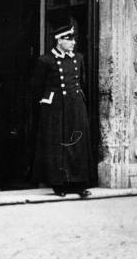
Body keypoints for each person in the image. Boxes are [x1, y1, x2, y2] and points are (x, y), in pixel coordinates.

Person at [31, 21, 94, 198]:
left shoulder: (78, 58)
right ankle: (59, 184)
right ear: (60, 41)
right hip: (55, 109)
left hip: (75, 106)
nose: (73, 42)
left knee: (77, 144)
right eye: (70, 39)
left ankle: (79, 184)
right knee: (57, 146)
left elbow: (82, 81)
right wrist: (46, 103)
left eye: (73, 39)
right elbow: (36, 87)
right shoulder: (46, 60)